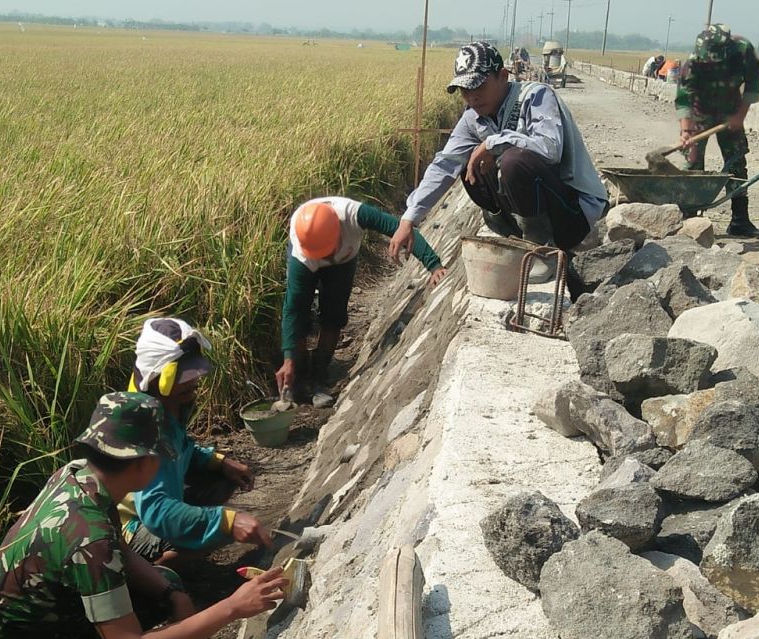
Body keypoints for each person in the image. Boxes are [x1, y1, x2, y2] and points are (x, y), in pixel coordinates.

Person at [0, 391, 286, 639]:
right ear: (142, 463)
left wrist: (173, 594)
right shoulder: (88, 538)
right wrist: (233, 607)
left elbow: (122, 551)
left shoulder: (79, 476)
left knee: (165, 580)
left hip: (47, 634)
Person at [388, 41, 607, 299]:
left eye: (479, 86)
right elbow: (444, 164)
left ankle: (542, 252)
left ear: (503, 76)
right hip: (535, 213)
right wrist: (409, 219)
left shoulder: (536, 96)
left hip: (572, 213)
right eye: (465, 90)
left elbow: (550, 149)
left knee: (514, 161)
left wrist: (493, 143)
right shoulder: (473, 118)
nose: (472, 97)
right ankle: (516, 237)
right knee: (468, 165)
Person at [120, 317, 273, 571]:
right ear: (159, 379)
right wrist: (226, 522)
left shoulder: (167, 405)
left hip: (160, 501)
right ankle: (154, 572)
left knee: (222, 479)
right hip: (131, 526)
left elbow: (182, 449)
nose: (195, 383)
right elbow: (156, 511)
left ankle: (181, 551)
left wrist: (219, 462)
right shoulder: (146, 430)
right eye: (186, 377)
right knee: (219, 531)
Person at [275, 198, 446, 407]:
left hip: (344, 261)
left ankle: (320, 376)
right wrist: (288, 359)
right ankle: (297, 378)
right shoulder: (303, 246)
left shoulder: (353, 214)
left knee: (334, 314)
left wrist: (434, 265)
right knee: (300, 316)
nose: (325, 259)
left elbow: (402, 228)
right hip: (306, 259)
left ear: (339, 232)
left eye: (328, 252)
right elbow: (293, 310)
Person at [676, 24, 759, 239]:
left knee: (736, 163)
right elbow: (684, 96)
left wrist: (740, 116)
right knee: (693, 163)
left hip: (731, 108)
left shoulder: (743, 51)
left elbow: (753, 83)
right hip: (700, 109)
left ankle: (739, 221)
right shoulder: (694, 61)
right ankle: (691, 219)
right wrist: (686, 130)